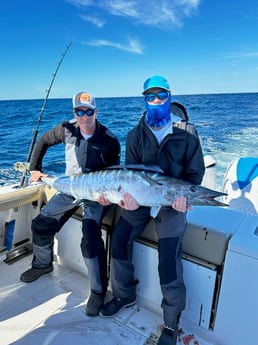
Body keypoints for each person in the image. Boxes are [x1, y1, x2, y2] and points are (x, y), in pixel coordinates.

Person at [99, 76, 205, 345]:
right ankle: (124, 294)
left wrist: (184, 198)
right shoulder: (135, 135)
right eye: (150, 97)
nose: (156, 101)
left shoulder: (188, 133)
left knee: (168, 258)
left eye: (161, 96)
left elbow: (195, 175)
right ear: (144, 100)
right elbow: (131, 175)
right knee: (120, 239)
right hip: (141, 201)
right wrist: (127, 199)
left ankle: (170, 324)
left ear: (170, 96)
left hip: (173, 203)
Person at [20, 91, 121, 317]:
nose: (84, 116)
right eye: (79, 111)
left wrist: (107, 194)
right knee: (41, 223)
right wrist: (35, 168)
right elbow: (44, 141)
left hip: (96, 194)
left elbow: (115, 170)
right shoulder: (66, 129)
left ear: (96, 112)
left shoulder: (110, 139)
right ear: (74, 112)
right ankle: (42, 264)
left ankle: (98, 291)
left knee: (90, 237)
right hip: (70, 188)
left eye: (89, 111)